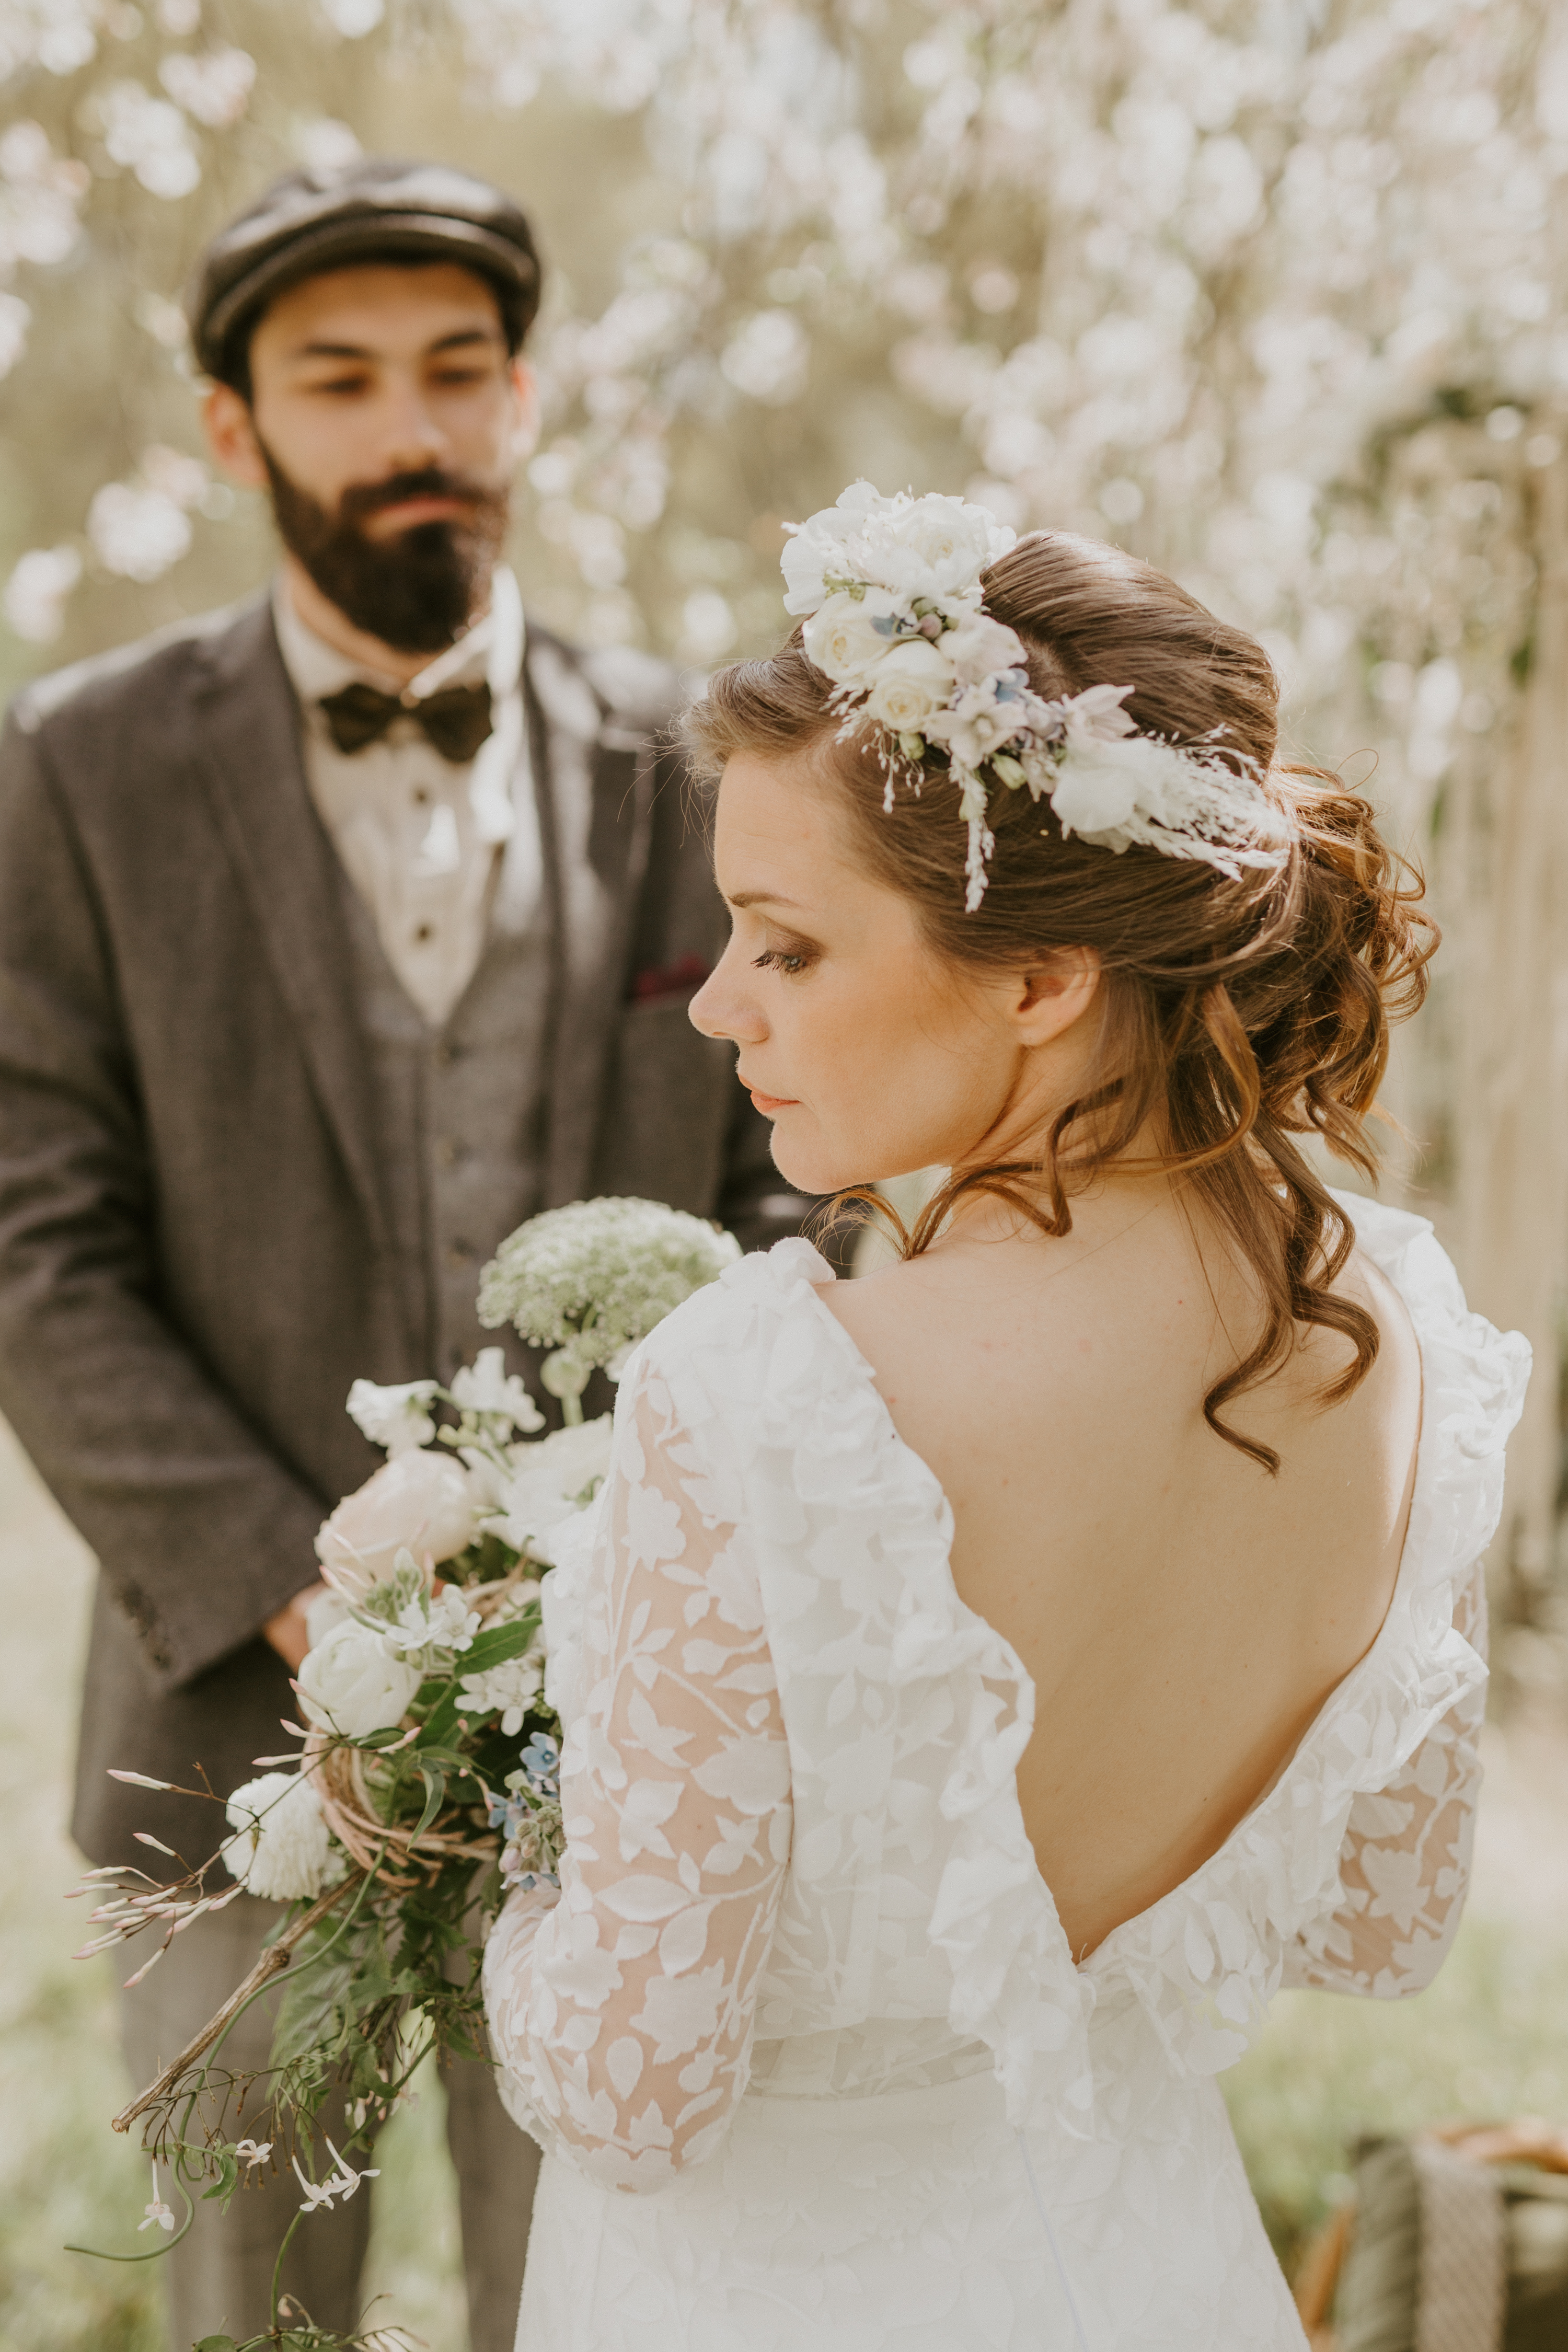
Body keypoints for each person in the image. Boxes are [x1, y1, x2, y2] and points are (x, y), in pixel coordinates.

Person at [480, 486, 1530, 2349]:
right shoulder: (1411, 1341)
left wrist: (513, 1848)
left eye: (786, 946)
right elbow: (1376, 1924)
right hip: (1152, 2272)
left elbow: (632, 2093)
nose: (719, 1004)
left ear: (1046, 975)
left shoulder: (771, 1398)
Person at [0, 158, 810, 2352]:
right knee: (260, 2302)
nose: (412, 427)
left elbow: (786, 1195)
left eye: (458, 373)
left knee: (614, 2289)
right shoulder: (75, 770)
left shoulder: (705, 768)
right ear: (235, 432)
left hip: (647, 1729)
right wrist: (313, 1585)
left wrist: (602, 1573)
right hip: (234, 1730)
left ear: (527, 401)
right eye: (341, 380)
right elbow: (33, 1244)